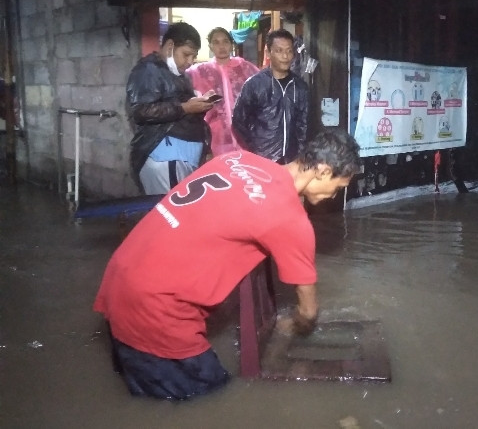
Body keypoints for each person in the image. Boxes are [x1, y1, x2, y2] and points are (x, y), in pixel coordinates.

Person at [93, 127, 362, 400]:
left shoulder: (237, 159)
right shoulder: (290, 220)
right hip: (154, 310)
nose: (334, 195)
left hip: (120, 275)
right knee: (213, 399)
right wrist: (293, 327)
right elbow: (308, 312)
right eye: (339, 187)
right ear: (324, 171)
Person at [126, 22, 215, 195]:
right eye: (186, 55)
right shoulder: (148, 70)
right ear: (170, 46)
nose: (190, 62)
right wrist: (186, 108)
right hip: (165, 159)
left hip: (183, 159)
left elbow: (181, 109)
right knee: (171, 215)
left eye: (193, 56)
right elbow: (141, 111)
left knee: (184, 215)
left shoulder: (180, 75)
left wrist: (200, 104)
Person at [232, 28, 309, 165]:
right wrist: (253, 149)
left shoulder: (300, 86)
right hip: (261, 160)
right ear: (268, 52)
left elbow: (303, 125)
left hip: (291, 161)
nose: (285, 56)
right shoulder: (255, 84)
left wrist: (300, 156)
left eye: (289, 51)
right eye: (279, 51)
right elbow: (238, 121)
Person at [186, 27, 260, 156]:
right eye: (216, 42)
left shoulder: (245, 67)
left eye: (225, 41)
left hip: (245, 131)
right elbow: (180, 81)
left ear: (231, 44)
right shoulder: (200, 71)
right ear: (210, 46)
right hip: (217, 135)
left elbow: (263, 86)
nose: (221, 46)